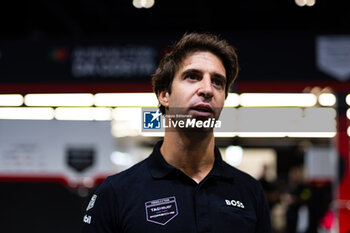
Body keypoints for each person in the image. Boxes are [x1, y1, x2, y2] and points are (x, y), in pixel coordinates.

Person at [81, 32, 272, 233]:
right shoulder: (116, 193)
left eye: (217, 82)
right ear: (164, 95)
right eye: (192, 77)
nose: (207, 89)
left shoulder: (250, 192)